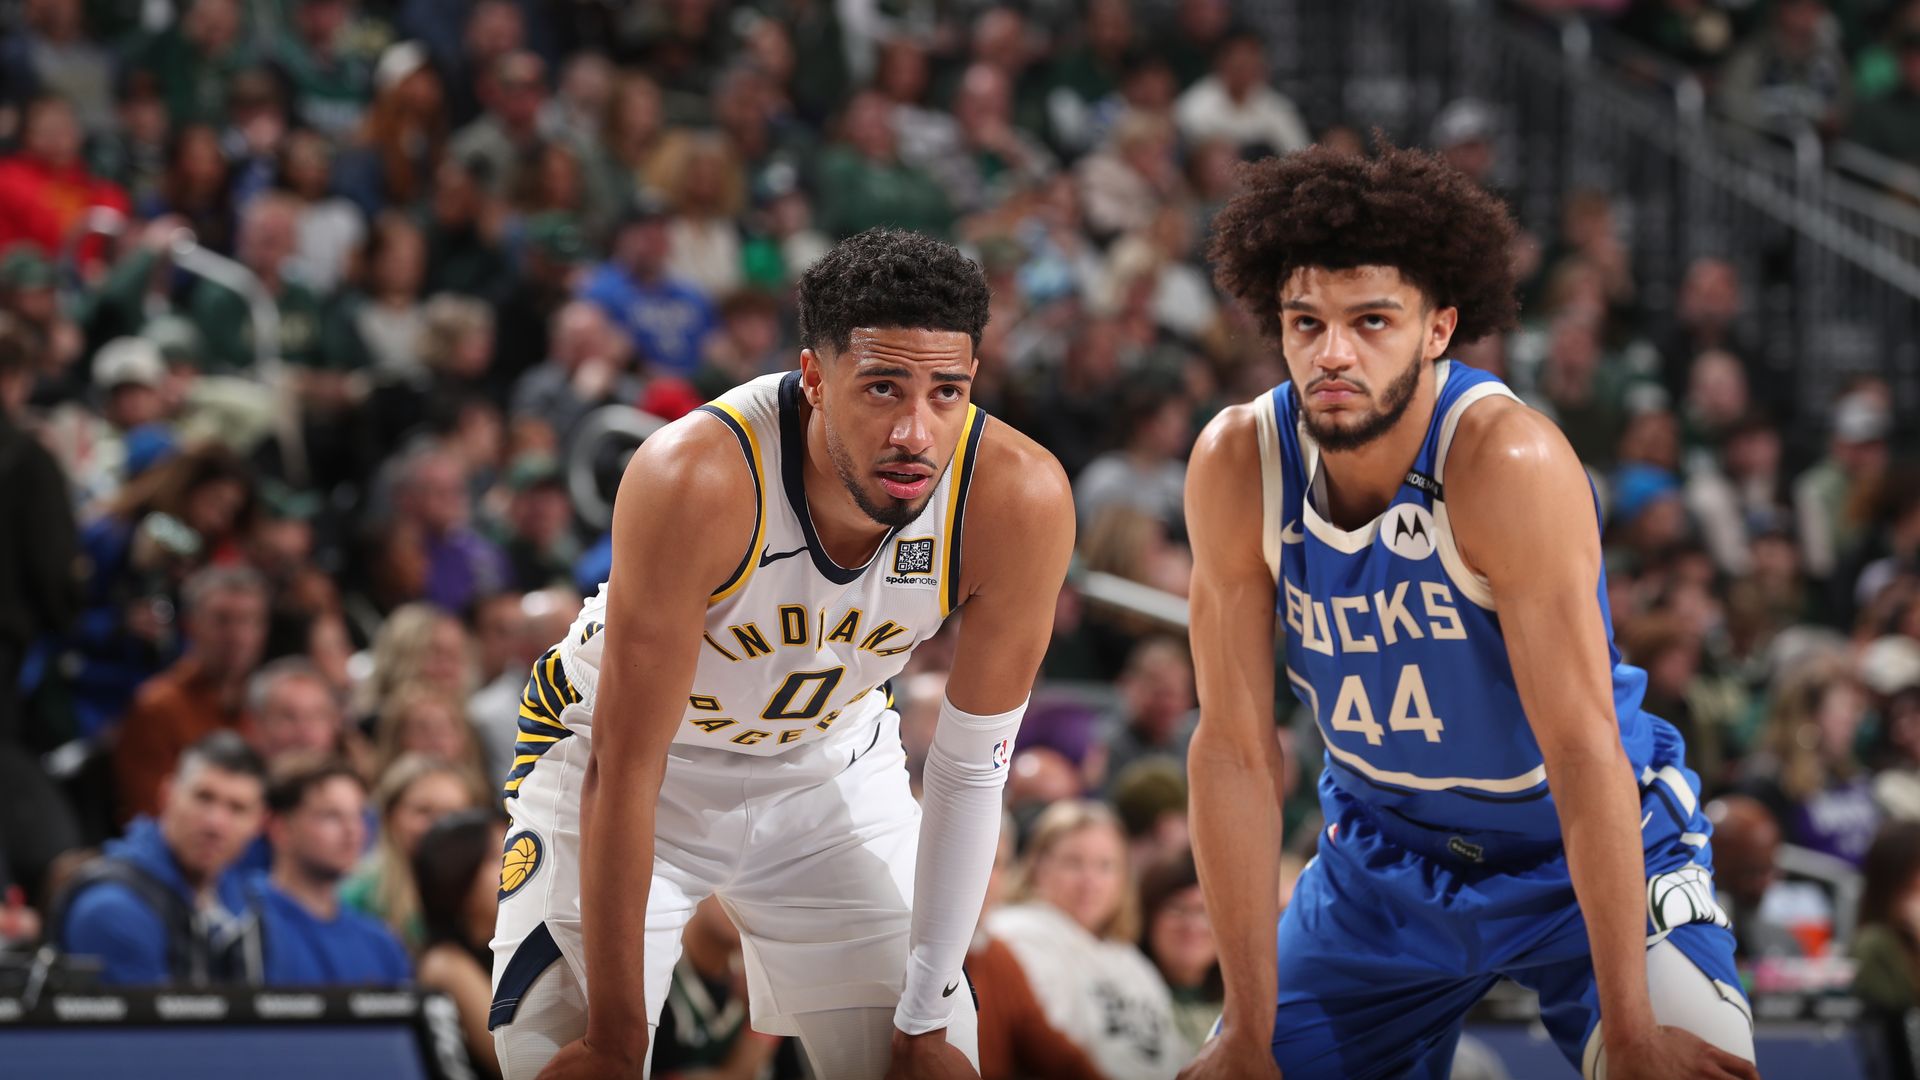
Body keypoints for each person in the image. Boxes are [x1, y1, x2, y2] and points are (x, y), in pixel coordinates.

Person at [1181, 144, 1758, 1079]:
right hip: (1380, 864)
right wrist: (1247, 1029)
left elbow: (1581, 750)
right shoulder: (1238, 460)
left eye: (1372, 321)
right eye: (1306, 322)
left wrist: (1636, 1034)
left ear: (1439, 328)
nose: (1333, 353)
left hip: (1578, 853)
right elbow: (1236, 751)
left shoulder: (1506, 462)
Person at [487, 228, 1075, 1079]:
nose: (916, 430)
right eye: (882, 387)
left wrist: (926, 1009)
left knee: (935, 1062)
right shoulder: (695, 476)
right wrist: (618, 1036)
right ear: (813, 378)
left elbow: (970, 769)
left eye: (946, 391)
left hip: (827, 765)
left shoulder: (1017, 496)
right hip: (630, 764)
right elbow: (624, 766)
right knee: (576, 1059)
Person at [987, 799, 1184, 1079]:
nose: (1090, 881)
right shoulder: (1014, 935)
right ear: (1038, 866)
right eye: (1073, 863)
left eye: (1105, 866)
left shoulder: (1132, 961)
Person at [55, 732, 267, 985]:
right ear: (167, 796)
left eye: (237, 808)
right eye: (203, 798)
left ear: (259, 823)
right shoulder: (112, 909)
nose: (215, 824)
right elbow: (149, 1024)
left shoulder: (245, 898)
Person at [251, 756, 411, 985]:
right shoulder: (243, 926)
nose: (352, 831)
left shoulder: (381, 943)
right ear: (281, 829)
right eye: (331, 816)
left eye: (359, 816)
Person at [416, 809, 511, 1079]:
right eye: (499, 857)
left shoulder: (512, 946)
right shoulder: (445, 964)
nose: (518, 868)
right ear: (458, 877)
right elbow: (512, 1061)